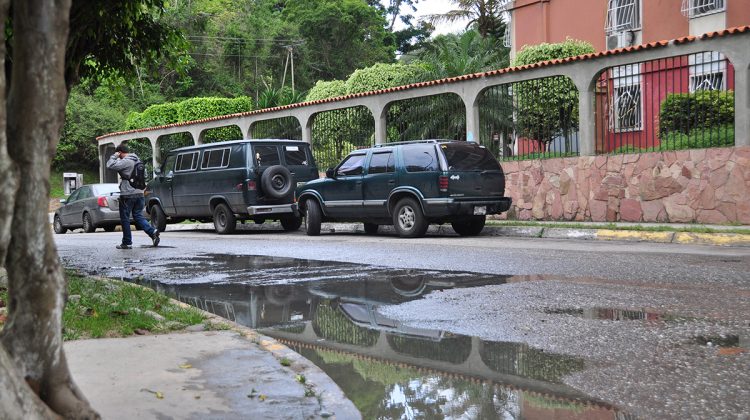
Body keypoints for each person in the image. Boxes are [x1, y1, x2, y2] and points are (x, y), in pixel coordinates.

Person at [106, 144, 160, 249]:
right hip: (139, 193)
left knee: (125, 218)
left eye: (118, 154)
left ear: (120, 153)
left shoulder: (125, 161)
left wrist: (114, 156)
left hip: (128, 194)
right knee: (138, 215)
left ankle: (127, 242)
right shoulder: (138, 161)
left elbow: (110, 165)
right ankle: (152, 232)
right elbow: (144, 177)